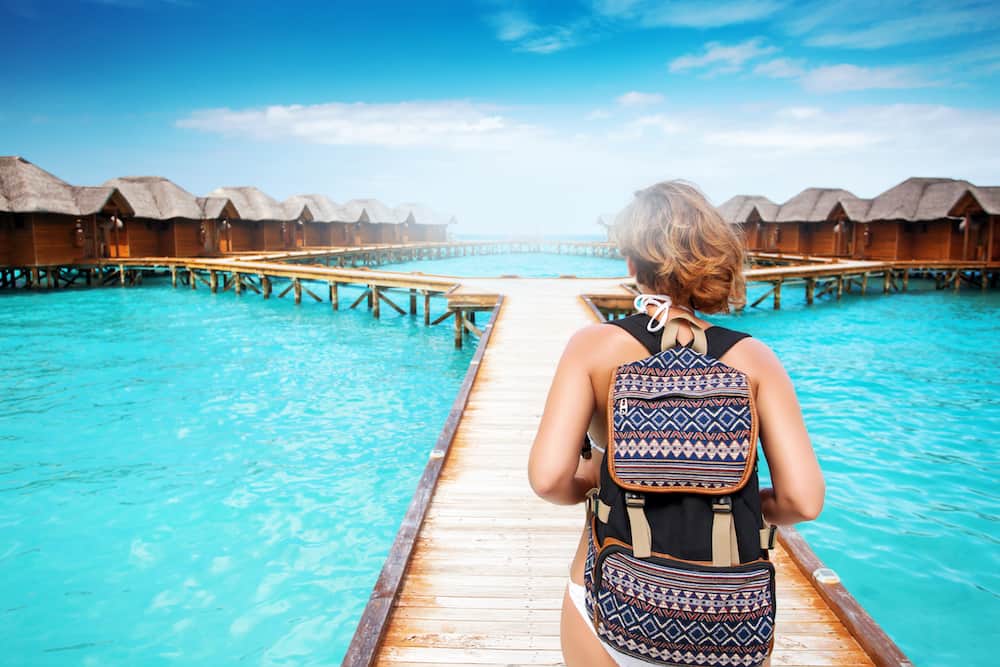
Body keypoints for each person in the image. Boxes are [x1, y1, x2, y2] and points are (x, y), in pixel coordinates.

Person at [528, 180, 826, 667]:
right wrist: (739, 498)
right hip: (729, 613)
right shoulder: (756, 359)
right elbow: (803, 501)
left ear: (631, 263)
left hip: (613, 596)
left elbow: (548, 479)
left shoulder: (593, 348)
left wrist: (600, 478)